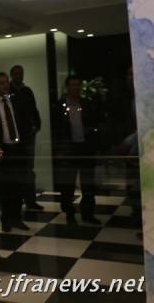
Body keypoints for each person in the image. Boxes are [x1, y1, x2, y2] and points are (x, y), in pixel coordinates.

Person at [52, 75, 100, 225]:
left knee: (88, 183)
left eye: (78, 84)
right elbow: (56, 130)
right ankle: (69, 213)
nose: (76, 87)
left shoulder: (87, 104)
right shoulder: (59, 106)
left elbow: (93, 125)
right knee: (68, 185)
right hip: (68, 149)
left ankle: (88, 213)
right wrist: (58, 150)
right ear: (67, 87)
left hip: (85, 148)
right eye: (72, 85)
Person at [0, 72, 29, 232]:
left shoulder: (15, 100)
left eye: (6, 82)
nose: (5, 85)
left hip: (18, 148)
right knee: (5, 188)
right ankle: (6, 220)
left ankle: (16, 218)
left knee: (18, 185)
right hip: (3, 149)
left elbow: (23, 122)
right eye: (1, 83)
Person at [9, 65, 43, 210]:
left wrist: (37, 125)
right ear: (11, 75)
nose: (19, 76)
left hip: (28, 136)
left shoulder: (27, 91)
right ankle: (15, 203)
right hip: (13, 138)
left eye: (21, 73)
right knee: (15, 170)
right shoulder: (8, 92)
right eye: (16, 73)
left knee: (28, 169)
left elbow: (34, 110)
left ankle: (30, 200)